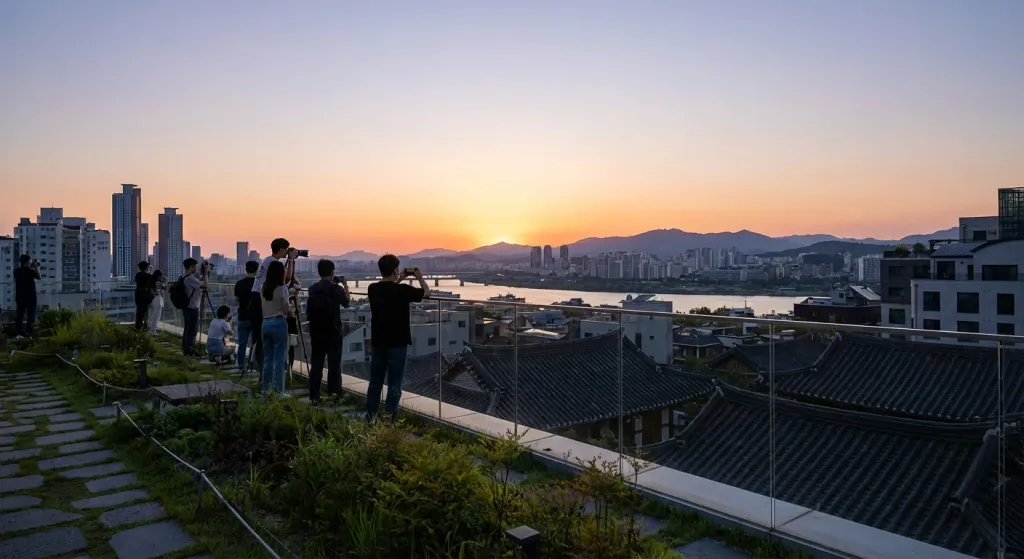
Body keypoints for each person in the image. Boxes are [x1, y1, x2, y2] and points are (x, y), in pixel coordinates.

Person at [366, 254, 431, 421]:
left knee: (375, 383)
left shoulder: (372, 289)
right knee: (394, 384)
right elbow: (427, 293)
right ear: (395, 269)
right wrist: (419, 277)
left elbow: (388, 290)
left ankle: (370, 417)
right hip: (398, 342)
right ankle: (389, 421)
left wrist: (400, 278)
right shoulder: (403, 291)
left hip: (378, 341)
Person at [305, 259, 350, 404]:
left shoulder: (313, 288)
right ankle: (334, 395)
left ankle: (314, 397)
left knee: (316, 364)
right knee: (334, 364)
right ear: (332, 272)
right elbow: (346, 303)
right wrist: (344, 285)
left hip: (316, 331)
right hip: (333, 331)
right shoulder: (336, 289)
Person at [248, 239, 295, 372]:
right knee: (262, 339)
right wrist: (291, 260)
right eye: (286, 249)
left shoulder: (268, 260)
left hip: (258, 297)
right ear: (281, 249)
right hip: (260, 299)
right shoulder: (273, 263)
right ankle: (262, 369)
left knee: (260, 336)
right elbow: (286, 279)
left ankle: (262, 370)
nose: (287, 252)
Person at [260, 260, 291, 394]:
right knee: (279, 360)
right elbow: (285, 307)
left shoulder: (263, 287)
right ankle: (279, 392)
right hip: (278, 322)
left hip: (265, 323)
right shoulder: (282, 288)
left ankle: (266, 389)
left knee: (268, 358)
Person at [234, 260, 259, 372]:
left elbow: (237, 300)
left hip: (242, 315)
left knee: (242, 343)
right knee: (256, 343)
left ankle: (240, 366)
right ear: (257, 270)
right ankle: (254, 365)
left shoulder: (239, 283)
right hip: (256, 318)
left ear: (246, 269)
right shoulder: (259, 284)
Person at [180, 258, 207, 356]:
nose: (196, 268)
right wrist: (205, 274)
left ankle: (186, 348)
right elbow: (205, 285)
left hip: (186, 307)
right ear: (191, 266)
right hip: (192, 307)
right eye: (195, 266)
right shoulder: (190, 279)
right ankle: (190, 349)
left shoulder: (184, 277)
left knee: (188, 328)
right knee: (192, 330)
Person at [13, 255, 40, 337]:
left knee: (20, 315)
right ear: (27, 261)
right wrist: (35, 267)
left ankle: (19, 332)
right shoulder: (30, 271)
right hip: (30, 296)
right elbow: (38, 276)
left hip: (20, 296)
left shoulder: (16, 271)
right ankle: (30, 331)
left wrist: (31, 267)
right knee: (30, 315)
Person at [147, 270, 167, 335]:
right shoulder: (158, 282)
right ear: (159, 276)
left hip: (151, 299)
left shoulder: (151, 281)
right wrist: (165, 281)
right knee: (157, 315)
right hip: (157, 299)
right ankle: (153, 330)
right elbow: (165, 287)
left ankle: (149, 328)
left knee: (151, 314)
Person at [133, 261, 153, 331]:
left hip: (138, 293)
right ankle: (145, 326)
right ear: (146, 267)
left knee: (139, 310)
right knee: (145, 311)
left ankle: (138, 326)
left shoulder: (137, 275)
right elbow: (151, 284)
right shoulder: (148, 276)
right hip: (145, 294)